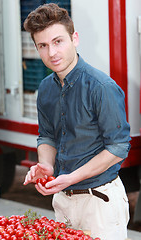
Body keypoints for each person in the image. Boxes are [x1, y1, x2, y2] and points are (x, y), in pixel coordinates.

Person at [23, 3, 131, 240]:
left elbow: (118, 148)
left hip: (99, 203)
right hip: (63, 202)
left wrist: (71, 178)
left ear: (75, 38)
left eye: (58, 41)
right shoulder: (45, 89)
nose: (52, 53)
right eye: (43, 45)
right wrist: (46, 167)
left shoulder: (101, 87)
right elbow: (47, 136)